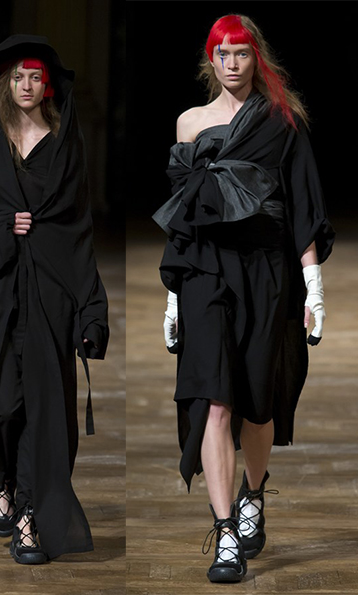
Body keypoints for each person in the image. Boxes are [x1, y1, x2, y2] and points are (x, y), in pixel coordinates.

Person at [153, 14, 334, 583]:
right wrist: (174, 296)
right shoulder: (189, 123)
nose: (232, 63)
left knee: (259, 402)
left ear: (257, 58)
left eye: (242, 53)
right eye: (222, 53)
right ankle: (226, 531)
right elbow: (184, 214)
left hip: (265, 269)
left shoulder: (282, 121)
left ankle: (253, 493)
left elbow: (302, 203)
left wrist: (313, 286)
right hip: (205, 270)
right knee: (215, 400)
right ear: (210, 60)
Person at [0, 34, 109, 565]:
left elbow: (77, 225)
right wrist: (2, 224)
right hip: (1, 288)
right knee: (5, 399)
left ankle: (30, 519)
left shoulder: (63, 142)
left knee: (45, 407)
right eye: (18, 76)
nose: (26, 85)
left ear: (47, 85)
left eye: (35, 76)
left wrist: (91, 307)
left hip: (51, 289)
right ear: (6, 83)